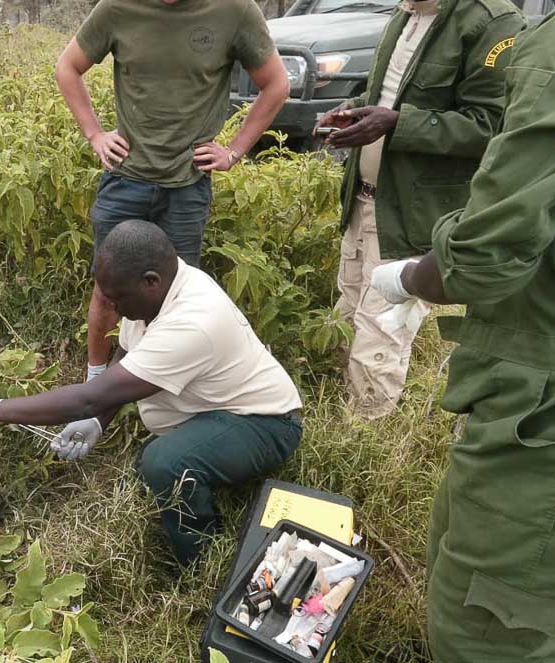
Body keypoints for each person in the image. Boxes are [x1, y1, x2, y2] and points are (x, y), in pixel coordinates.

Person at [0, 221, 303, 566]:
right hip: (216, 410)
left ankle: (202, 558)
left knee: (164, 464)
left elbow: (90, 396)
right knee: (155, 463)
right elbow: (126, 357)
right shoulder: (157, 292)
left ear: (150, 281)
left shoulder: (193, 322)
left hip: (266, 424)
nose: (110, 308)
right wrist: (97, 421)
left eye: (116, 299)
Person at [368, 12, 555, 660]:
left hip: (535, 415)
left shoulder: (513, 34)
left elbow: (486, 254)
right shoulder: (410, 19)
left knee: (486, 627)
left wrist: (412, 273)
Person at [54, 0, 290, 383]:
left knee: (175, 296)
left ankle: (155, 381)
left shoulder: (235, 10)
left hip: (187, 186)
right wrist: (95, 133)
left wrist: (234, 150)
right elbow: (68, 66)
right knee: (107, 288)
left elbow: (276, 84)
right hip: (125, 178)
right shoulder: (117, 8)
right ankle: (96, 381)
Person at [314, 0, 523, 419]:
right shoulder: (406, 13)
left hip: (413, 211)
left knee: (380, 336)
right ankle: (342, 425)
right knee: (346, 319)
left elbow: (491, 126)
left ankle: (366, 440)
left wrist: (395, 123)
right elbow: (388, 94)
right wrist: (351, 112)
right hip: (364, 197)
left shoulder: (491, 21)